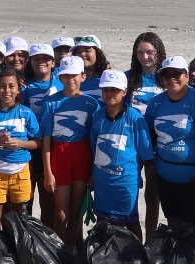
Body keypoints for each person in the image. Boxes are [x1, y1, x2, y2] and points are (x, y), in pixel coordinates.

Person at [144, 56, 195, 228]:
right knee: (173, 224)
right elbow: (149, 136)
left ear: (187, 76)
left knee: (193, 228)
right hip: (165, 178)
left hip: (194, 180)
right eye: (166, 75)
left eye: (177, 74)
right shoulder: (156, 103)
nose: (171, 78)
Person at [42, 55, 102, 248]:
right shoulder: (51, 102)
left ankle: (71, 253)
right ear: (60, 77)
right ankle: (58, 254)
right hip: (59, 156)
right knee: (61, 214)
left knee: (76, 212)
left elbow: (95, 140)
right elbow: (46, 139)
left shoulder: (92, 103)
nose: (70, 80)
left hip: (82, 155)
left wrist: (93, 171)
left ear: (83, 77)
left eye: (74, 75)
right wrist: (47, 172)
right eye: (66, 76)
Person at [87, 69, 153, 238]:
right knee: (103, 222)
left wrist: (134, 175)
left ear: (124, 91)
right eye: (106, 89)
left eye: (115, 89)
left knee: (130, 222)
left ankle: (137, 258)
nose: (110, 93)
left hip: (126, 183)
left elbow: (145, 153)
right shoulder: (97, 116)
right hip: (103, 182)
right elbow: (94, 149)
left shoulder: (135, 118)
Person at [0, 67, 41, 227]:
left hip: (21, 172)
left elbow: (38, 142)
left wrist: (20, 144)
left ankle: (18, 250)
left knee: (20, 217)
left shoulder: (26, 113)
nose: (7, 90)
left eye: (12, 86)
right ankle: (0, 250)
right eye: (2, 86)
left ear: (18, 90)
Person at [127, 32, 167, 230]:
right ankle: (132, 238)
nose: (145, 57)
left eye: (150, 52)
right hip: (131, 142)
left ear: (158, 52)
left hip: (158, 142)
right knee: (130, 189)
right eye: (140, 52)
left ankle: (150, 240)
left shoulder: (167, 77)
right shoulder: (129, 78)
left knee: (152, 195)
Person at [21, 43, 60, 222]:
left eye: (46, 58)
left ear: (53, 62)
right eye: (36, 58)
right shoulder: (23, 86)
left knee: (48, 201)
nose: (41, 62)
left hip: (53, 146)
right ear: (30, 62)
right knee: (26, 199)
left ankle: (46, 241)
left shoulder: (62, 81)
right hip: (29, 146)